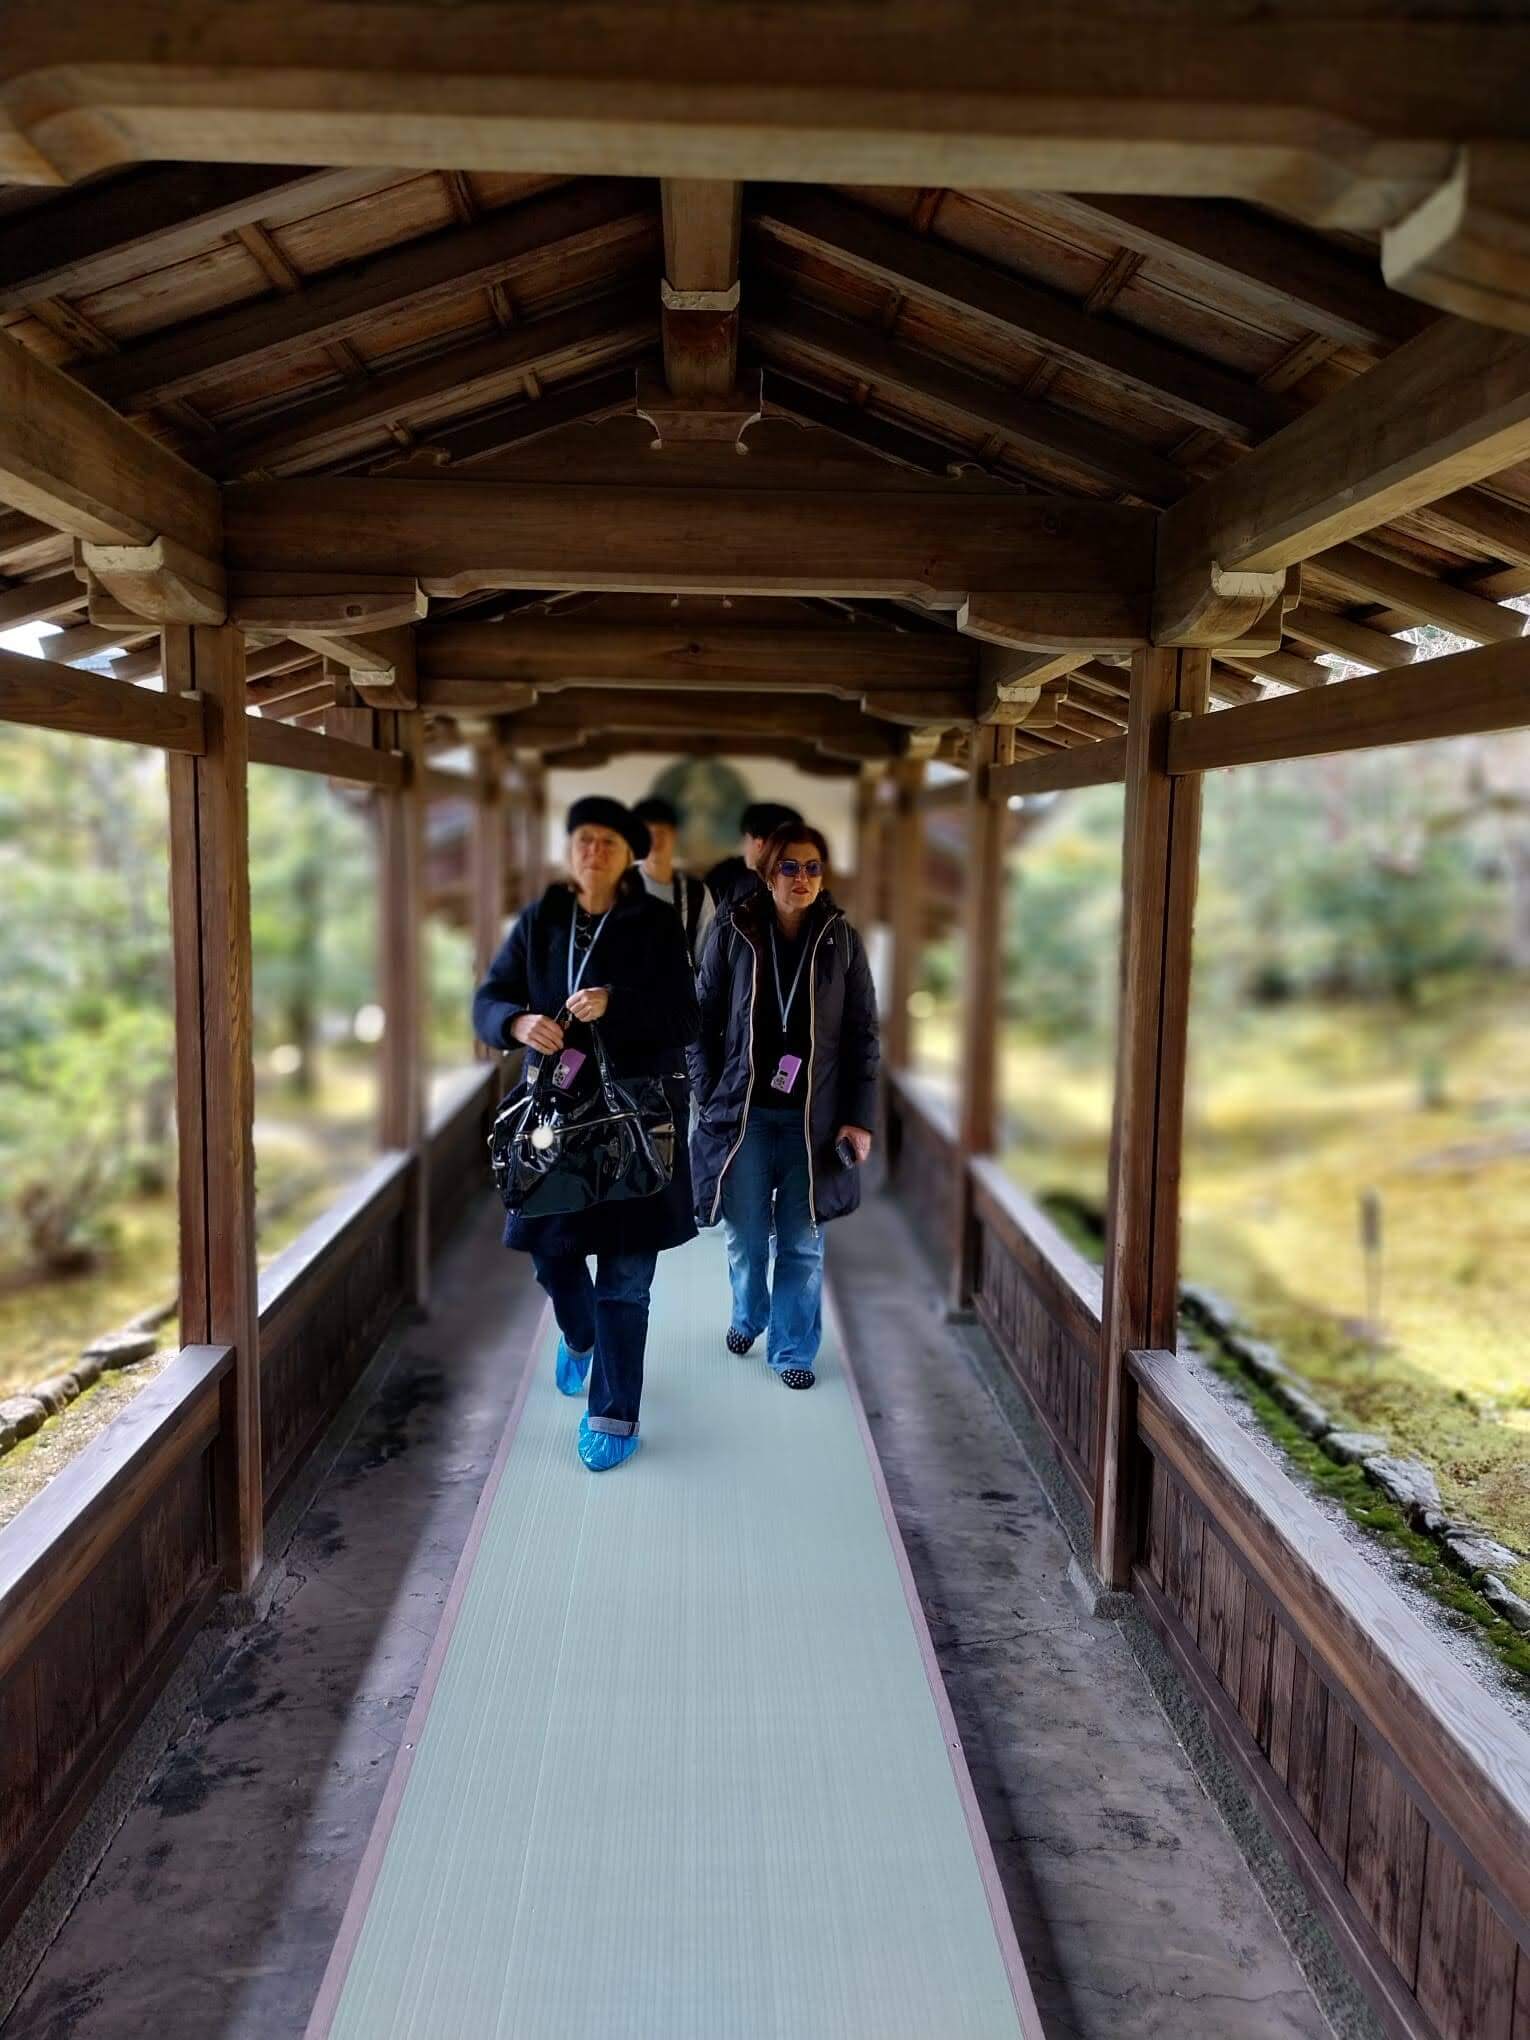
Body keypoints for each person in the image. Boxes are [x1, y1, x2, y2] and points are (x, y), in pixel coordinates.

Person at [473, 796, 699, 1471]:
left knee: (626, 1280)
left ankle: (614, 1414)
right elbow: (489, 999)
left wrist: (616, 1005)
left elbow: (687, 1018)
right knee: (552, 1258)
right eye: (584, 840)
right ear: (569, 849)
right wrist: (516, 1023)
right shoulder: (542, 919)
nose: (593, 851)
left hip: (634, 1121)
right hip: (555, 1121)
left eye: (607, 842)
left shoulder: (655, 924)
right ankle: (578, 1336)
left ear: (628, 857)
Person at [689, 824, 879, 1390]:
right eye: (791, 867)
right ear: (768, 873)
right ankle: (748, 1315)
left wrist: (858, 1117)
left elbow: (863, 1034)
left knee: (802, 1240)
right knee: (746, 1236)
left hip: (813, 1121)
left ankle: (793, 1349)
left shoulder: (842, 941)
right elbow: (700, 1019)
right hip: (744, 1114)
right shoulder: (733, 931)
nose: (803, 878)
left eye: (813, 867)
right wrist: (709, 1092)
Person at [633, 794, 715, 965]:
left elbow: (707, 960)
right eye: (648, 834)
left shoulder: (697, 893)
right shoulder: (619, 885)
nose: (655, 841)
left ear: (674, 835)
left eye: (661, 833)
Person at [703, 800, 802, 911]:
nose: (743, 848)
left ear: (759, 845)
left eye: (746, 839)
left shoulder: (730, 881)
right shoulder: (803, 883)